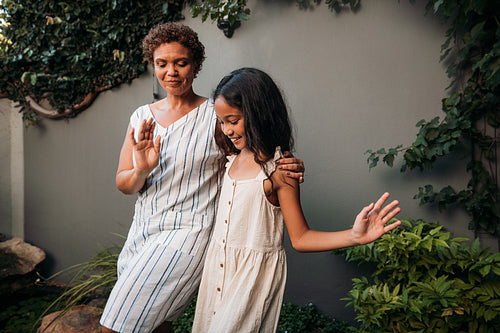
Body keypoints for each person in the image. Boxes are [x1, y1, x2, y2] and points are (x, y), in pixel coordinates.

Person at [99, 24, 304, 333]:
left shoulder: (217, 116)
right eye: (162, 63)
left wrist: (285, 165)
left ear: (195, 65)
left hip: (188, 235)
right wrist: (142, 169)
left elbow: (254, 154)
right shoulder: (141, 117)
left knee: (114, 327)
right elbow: (124, 183)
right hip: (143, 231)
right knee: (153, 324)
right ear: (152, 65)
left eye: (180, 62)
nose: (171, 72)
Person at [191, 67, 402, 333]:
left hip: (250, 279)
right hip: (217, 272)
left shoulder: (281, 170)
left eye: (233, 120)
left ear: (258, 115)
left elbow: (300, 238)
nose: (227, 130)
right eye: (221, 121)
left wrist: (355, 236)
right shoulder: (230, 159)